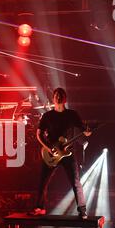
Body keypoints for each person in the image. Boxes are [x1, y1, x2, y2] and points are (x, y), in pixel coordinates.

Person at [32, 87, 91, 218]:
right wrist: (48, 148)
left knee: (76, 182)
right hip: (51, 153)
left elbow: (83, 129)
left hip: (68, 153)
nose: (58, 97)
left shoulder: (72, 114)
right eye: (56, 95)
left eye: (61, 95)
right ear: (53, 98)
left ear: (65, 98)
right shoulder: (47, 116)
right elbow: (39, 134)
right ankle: (39, 208)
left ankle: (82, 210)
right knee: (43, 181)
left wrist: (87, 132)